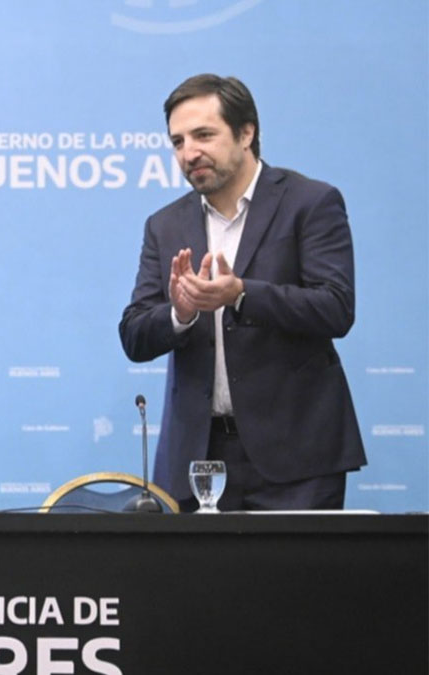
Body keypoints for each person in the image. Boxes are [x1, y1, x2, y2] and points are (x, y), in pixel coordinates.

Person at [119, 74, 365, 511]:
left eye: (203, 135)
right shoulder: (164, 224)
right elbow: (135, 336)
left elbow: (335, 307)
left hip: (297, 460)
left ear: (246, 133)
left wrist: (241, 294)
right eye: (177, 142)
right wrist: (180, 313)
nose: (189, 153)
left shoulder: (310, 202)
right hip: (197, 461)